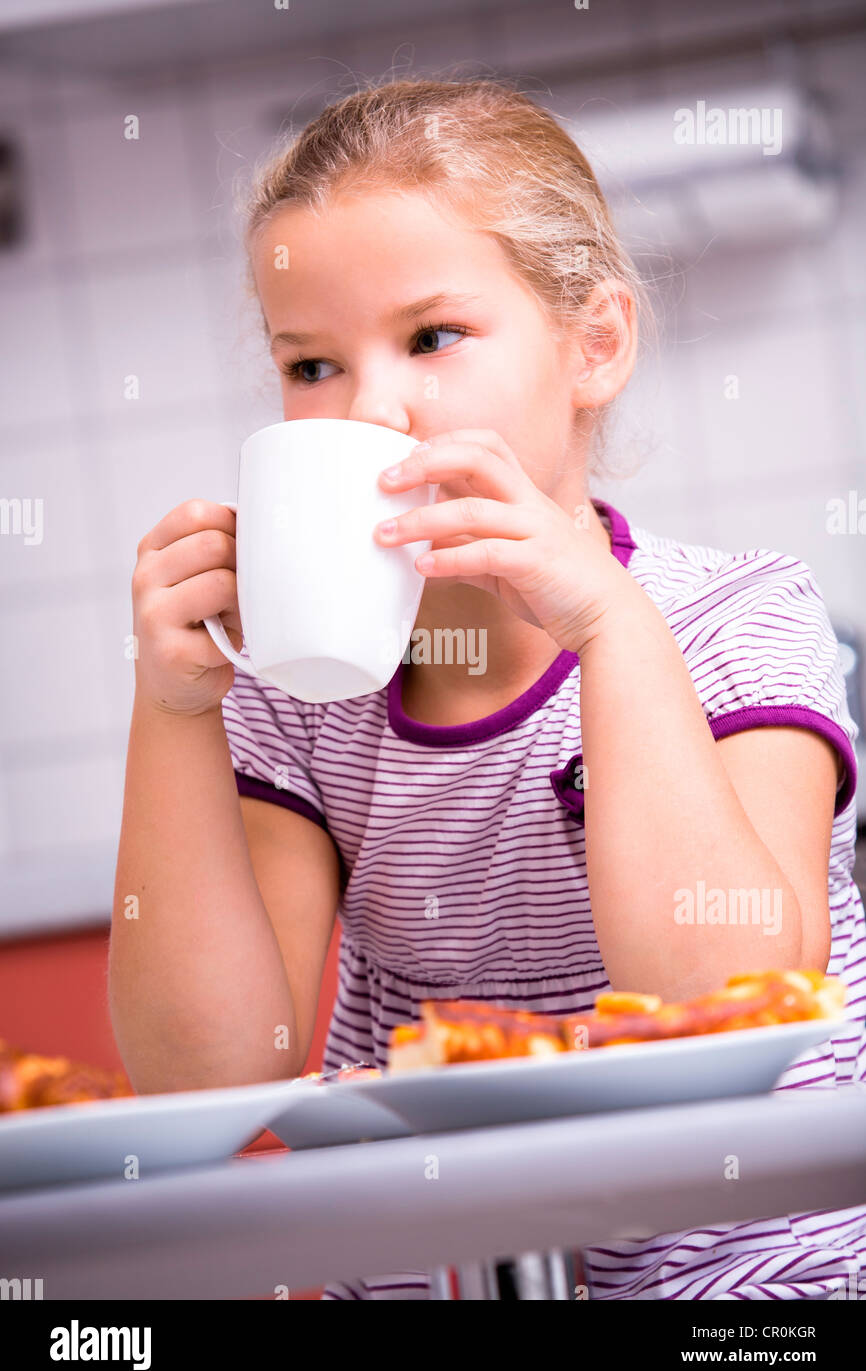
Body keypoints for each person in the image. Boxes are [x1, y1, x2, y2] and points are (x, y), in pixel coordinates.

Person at [111, 75, 866, 1300]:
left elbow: (726, 1000)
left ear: (593, 344)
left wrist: (606, 626)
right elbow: (209, 1077)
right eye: (309, 362)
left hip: (754, 1283)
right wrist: (175, 708)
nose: (371, 408)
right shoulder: (304, 696)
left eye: (431, 338)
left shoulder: (732, 618)